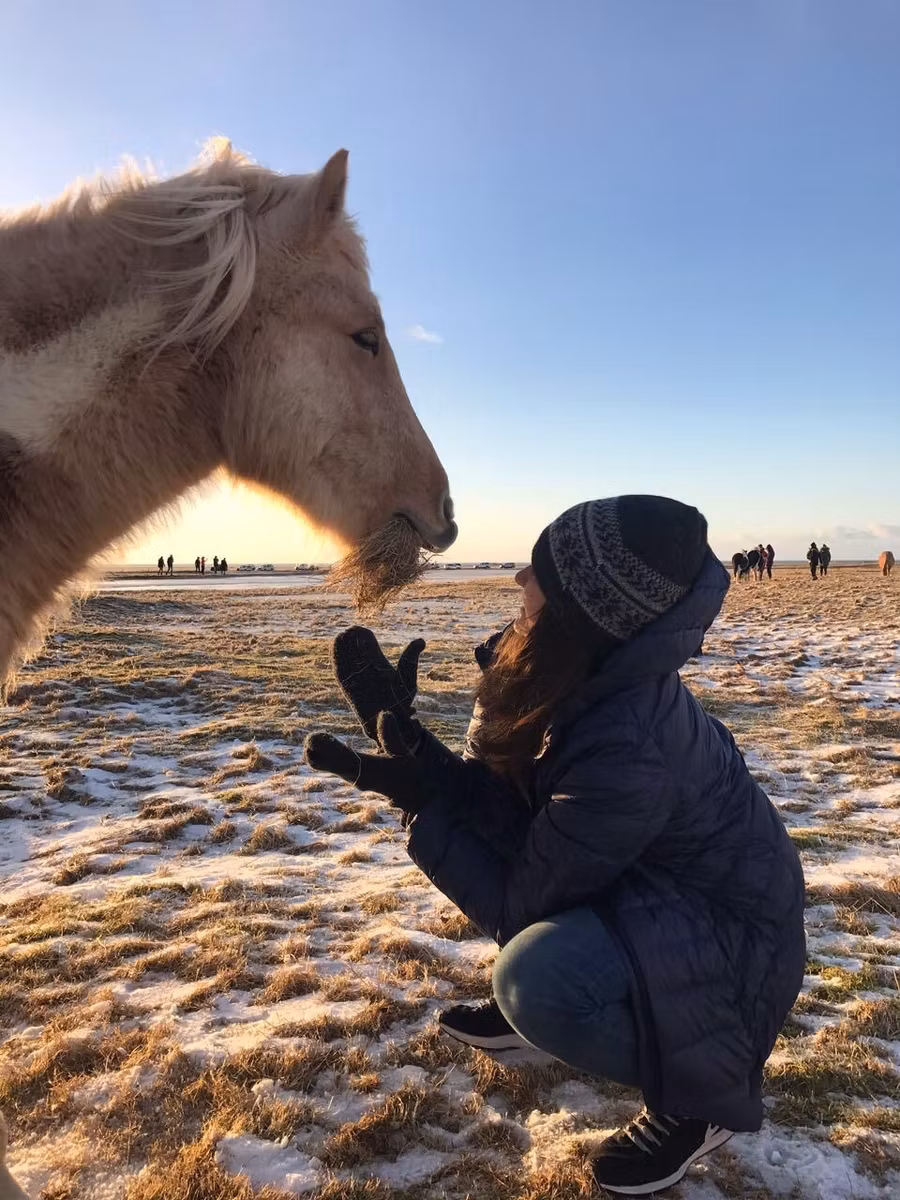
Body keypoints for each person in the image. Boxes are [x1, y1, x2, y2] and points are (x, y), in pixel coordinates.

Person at [305, 495, 806, 1197]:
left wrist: (424, 802)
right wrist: (422, 756)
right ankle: (557, 1016)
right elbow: (528, 824)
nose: (518, 581)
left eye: (537, 572)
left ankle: (700, 1098)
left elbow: (521, 897)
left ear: (580, 610)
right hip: (659, 892)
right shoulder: (581, 679)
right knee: (539, 951)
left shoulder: (624, 746)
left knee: (534, 979)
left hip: (729, 948)